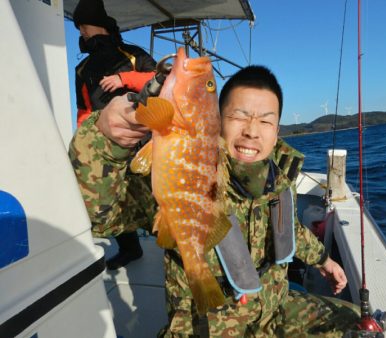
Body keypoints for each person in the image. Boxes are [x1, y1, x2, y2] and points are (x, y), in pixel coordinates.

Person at [69, 65, 360, 336]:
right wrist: (106, 138)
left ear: (276, 131)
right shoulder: (185, 168)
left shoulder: (279, 179)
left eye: (265, 120)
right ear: (217, 121)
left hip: (274, 309)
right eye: (239, 116)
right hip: (208, 323)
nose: (251, 130)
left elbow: (288, 229)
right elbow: (101, 216)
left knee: (360, 324)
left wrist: (324, 259)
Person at [72, 0, 157, 270]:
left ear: (93, 24)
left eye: (82, 26)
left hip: (146, 143)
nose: (81, 33)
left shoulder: (132, 54)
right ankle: (130, 250)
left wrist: (126, 80)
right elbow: (84, 109)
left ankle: (175, 246)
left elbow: (162, 82)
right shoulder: (82, 69)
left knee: (157, 197)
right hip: (108, 149)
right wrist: (86, 140)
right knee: (116, 199)